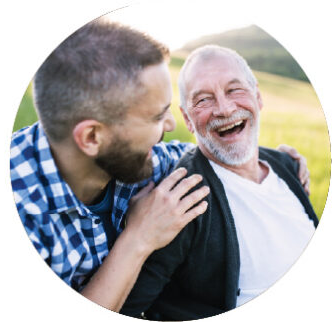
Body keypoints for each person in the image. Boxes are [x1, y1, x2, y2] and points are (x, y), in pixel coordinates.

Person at [120, 45, 318, 320]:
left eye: (234, 90)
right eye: (203, 100)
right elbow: (129, 308)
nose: (224, 109)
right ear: (187, 119)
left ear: (257, 96)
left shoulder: (288, 166)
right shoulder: (183, 201)